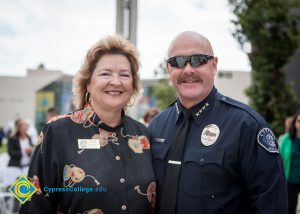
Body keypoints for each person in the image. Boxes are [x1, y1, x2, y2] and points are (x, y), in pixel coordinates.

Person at [148, 31, 287, 213]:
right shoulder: (157, 126)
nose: (188, 69)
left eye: (198, 60)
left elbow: (271, 206)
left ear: (213, 66)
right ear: (169, 70)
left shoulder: (247, 126)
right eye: (179, 62)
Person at [20, 35, 156, 213]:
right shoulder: (56, 130)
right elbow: (28, 197)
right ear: (88, 83)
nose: (116, 82)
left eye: (124, 74)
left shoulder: (142, 134)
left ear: (133, 84)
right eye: (105, 73)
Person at [280, 111, 300, 214]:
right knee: (290, 206)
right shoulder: (286, 139)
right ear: (295, 123)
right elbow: (279, 158)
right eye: (299, 121)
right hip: (290, 179)